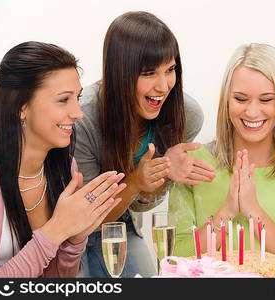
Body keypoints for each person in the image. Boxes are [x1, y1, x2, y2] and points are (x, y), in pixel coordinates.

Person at [75, 11, 215, 277]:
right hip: (73, 231)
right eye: (149, 73)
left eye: (170, 69)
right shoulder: (84, 119)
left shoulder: (186, 115)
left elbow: (141, 204)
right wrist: (136, 182)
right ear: (119, 73)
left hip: (122, 225)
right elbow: (89, 218)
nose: (163, 86)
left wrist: (162, 175)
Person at [169, 43, 275, 263]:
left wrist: (254, 211)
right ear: (226, 101)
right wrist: (226, 212)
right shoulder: (193, 164)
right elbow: (174, 258)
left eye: (266, 100)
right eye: (241, 99)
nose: (252, 112)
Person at [0, 41, 126, 277]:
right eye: (64, 99)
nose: (78, 112)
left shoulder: (65, 168)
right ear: (21, 107)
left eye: (78, 97)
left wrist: (75, 239)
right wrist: (56, 229)